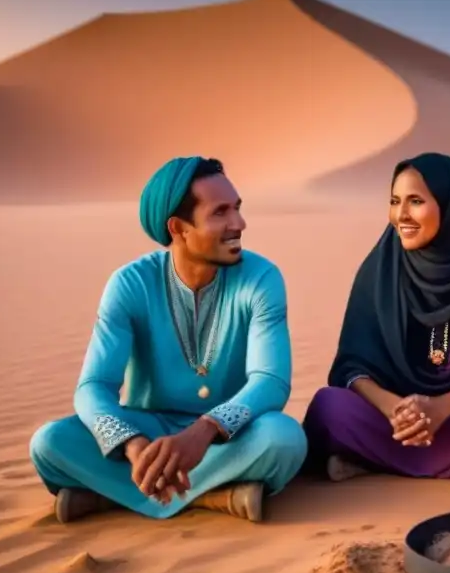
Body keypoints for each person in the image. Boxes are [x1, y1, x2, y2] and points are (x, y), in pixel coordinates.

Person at [29, 156, 307, 523]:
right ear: (179, 228)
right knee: (48, 444)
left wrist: (205, 430)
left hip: (226, 439)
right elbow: (94, 386)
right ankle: (214, 498)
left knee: (283, 439)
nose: (239, 224)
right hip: (149, 434)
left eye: (237, 209)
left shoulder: (261, 278)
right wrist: (132, 445)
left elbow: (270, 382)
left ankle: (112, 497)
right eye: (220, 213)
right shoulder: (130, 284)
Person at [302, 153, 450, 484]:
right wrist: (394, 409)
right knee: (329, 405)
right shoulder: (380, 269)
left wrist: (440, 409)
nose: (401, 215)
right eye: (395, 201)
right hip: (394, 423)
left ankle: (370, 464)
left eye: (415, 201)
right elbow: (352, 367)